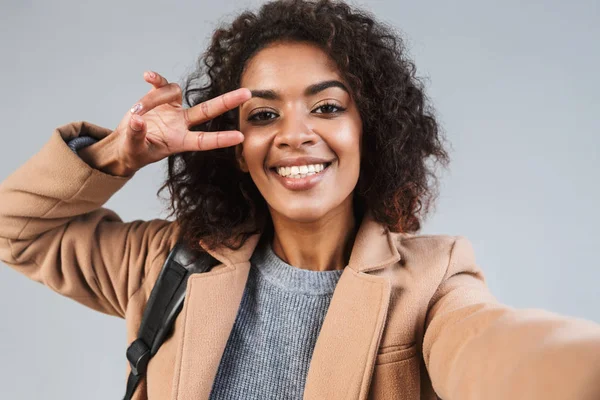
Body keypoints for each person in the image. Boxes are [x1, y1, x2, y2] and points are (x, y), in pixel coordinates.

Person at [1, 0, 599, 399]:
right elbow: (14, 228)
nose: (294, 134)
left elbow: (495, 348)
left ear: (370, 130)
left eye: (328, 107)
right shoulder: (169, 264)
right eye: (264, 114)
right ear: (237, 149)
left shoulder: (432, 281)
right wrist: (118, 156)